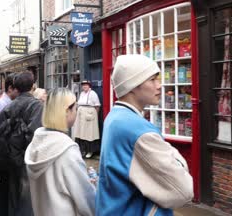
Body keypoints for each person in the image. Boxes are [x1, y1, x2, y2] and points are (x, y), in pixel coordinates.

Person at [96, 54, 193, 216]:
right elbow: (184, 191)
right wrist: (178, 159)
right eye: (153, 79)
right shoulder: (138, 129)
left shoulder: (114, 118)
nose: (159, 85)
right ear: (133, 85)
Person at [25, 88, 96, 216]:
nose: (76, 112)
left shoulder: (37, 143)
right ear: (66, 111)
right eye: (75, 108)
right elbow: (86, 199)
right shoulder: (67, 150)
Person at [0, 71, 44, 216]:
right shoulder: (36, 106)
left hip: (6, 158)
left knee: (6, 193)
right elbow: (34, 135)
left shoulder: (8, 107)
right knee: (23, 198)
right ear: (32, 86)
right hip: (22, 160)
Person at [0, 73, 19, 216]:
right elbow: (0, 133)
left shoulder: (7, 103)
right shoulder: (3, 105)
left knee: (6, 186)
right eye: (17, 89)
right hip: (5, 153)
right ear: (11, 88)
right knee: (5, 186)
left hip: (6, 152)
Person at [71, 80, 101, 159]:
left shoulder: (93, 94)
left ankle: (90, 151)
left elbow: (97, 106)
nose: (84, 86)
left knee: (89, 134)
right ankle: (82, 150)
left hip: (89, 114)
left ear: (89, 86)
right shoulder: (81, 94)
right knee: (80, 133)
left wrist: (95, 117)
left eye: (86, 85)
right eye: (83, 85)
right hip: (81, 114)